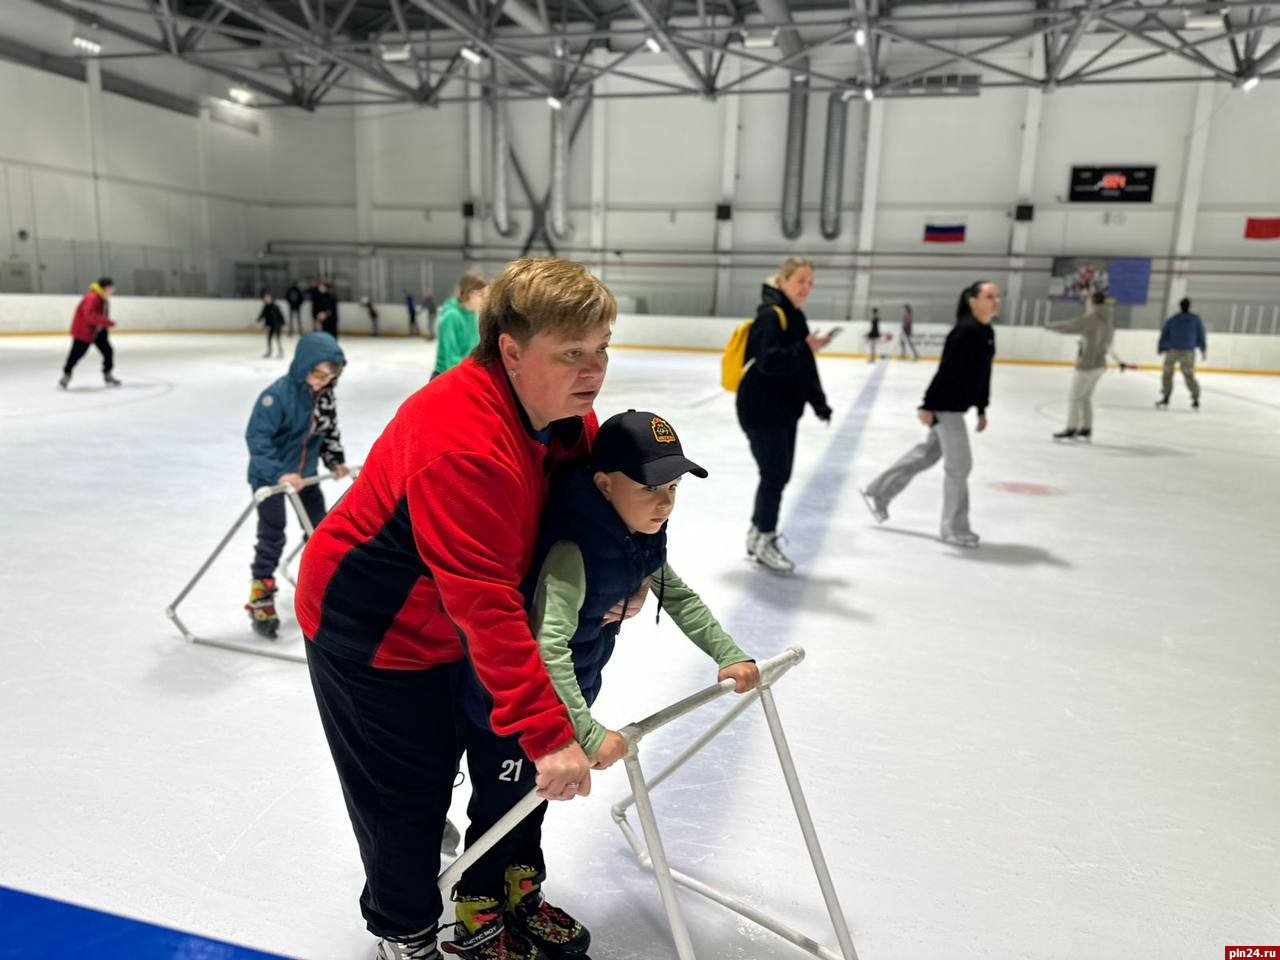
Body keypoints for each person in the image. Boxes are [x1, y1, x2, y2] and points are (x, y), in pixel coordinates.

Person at [294, 258, 627, 960]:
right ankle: (404, 932)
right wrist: (548, 733)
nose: (595, 370)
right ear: (511, 350)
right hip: (372, 630)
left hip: (447, 623)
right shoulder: (463, 443)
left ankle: (490, 889)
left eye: (601, 348)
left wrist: (627, 575)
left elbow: (590, 511)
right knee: (405, 794)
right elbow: (486, 605)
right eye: (572, 353)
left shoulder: (566, 416)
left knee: (485, 769)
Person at [451, 409, 760, 959]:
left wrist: (728, 654)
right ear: (604, 484)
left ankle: (521, 896)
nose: (664, 503)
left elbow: (680, 598)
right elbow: (546, 647)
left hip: (564, 704)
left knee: (535, 802)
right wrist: (587, 731)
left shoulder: (637, 539)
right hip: (513, 710)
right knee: (500, 810)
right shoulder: (574, 549)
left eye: (673, 488)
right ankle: (477, 916)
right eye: (649, 488)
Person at [860, 280, 999, 548]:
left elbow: (984, 374)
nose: (996, 301)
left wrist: (982, 408)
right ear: (973, 302)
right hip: (946, 407)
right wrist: (928, 406)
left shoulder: (986, 331)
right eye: (990, 296)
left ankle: (878, 491)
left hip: (955, 406)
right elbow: (946, 371)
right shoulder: (965, 331)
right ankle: (953, 528)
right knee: (960, 466)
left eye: (997, 296)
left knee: (927, 454)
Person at [244, 332, 348, 638]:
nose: (323, 382)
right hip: (271, 479)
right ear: (304, 365)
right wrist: (279, 474)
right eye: (318, 374)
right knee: (272, 535)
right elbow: (257, 439)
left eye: (330, 377)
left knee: (320, 532)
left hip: (304, 476)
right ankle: (261, 595)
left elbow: (328, 432)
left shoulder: (324, 396)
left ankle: (320, 588)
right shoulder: (276, 396)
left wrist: (335, 461)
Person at [736, 257, 833, 574]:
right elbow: (768, 362)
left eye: (810, 282)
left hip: (782, 410)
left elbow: (804, 366)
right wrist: (806, 348)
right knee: (775, 475)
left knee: (776, 475)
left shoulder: (795, 316)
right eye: (801, 280)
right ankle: (764, 538)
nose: (806, 287)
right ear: (783, 281)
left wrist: (818, 402)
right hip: (761, 409)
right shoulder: (770, 316)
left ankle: (757, 534)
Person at [1046, 290, 1118, 441]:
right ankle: (1086, 427)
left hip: (1087, 364)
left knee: (1074, 398)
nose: (1086, 303)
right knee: (1085, 397)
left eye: (1088, 300)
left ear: (1092, 302)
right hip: (1099, 364)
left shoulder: (1092, 317)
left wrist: (1051, 326)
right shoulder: (1108, 318)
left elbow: (1072, 326)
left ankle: (1071, 428)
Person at [59, 277, 120, 390]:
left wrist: (104, 325)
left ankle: (107, 374)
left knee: (108, 351)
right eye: (112, 287)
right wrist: (107, 322)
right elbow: (89, 315)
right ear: (106, 287)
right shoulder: (92, 297)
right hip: (84, 331)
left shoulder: (103, 298)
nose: (113, 290)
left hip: (98, 331)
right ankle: (66, 374)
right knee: (76, 355)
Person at [432, 272, 488, 378]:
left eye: (486, 295)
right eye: (481, 295)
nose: (485, 299)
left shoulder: (474, 315)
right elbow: (451, 359)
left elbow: (474, 351)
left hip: (465, 372)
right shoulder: (451, 316)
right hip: (445, 376)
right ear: (469, 294)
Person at [1157, 297, 1206, 410]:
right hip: (1174, 350)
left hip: (1185, 350)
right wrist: (1162, 346)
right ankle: (1166, 395)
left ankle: (1195, 397)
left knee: (1186, 374)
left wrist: (1202, 348)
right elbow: (1165, 333)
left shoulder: (1193, 320)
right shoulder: (1174, 319)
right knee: (1168, 373)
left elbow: (1200, 334)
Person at [258, 291, 285, 358]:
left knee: (278, 338)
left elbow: (280, 315)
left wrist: (282, 323)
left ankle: (281, 352)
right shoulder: (266, 307)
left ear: (271, 299)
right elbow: (262, 314)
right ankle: (269, 351)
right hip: (271, 325)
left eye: (268, 298)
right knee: (269, 338)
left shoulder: (275, 307)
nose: (266, 300)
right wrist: (258, 319)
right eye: (265, 299)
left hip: (277, 325)